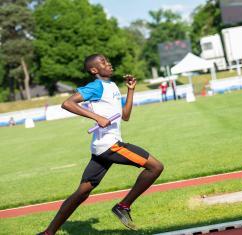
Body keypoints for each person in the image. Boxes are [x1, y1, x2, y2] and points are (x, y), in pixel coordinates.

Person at [37, 54, 164, 235]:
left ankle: (48, 233)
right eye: (103, 62)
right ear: (94, 70)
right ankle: (123, 206)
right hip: (110, 145)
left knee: (81, 193)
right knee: (155, 167)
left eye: (107, 60)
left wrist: (130, 90)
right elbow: (67, 103)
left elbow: (125, 115)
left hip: (100, 147)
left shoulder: (111, 86)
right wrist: (97, 117)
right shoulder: (96, 86)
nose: (109, 63)